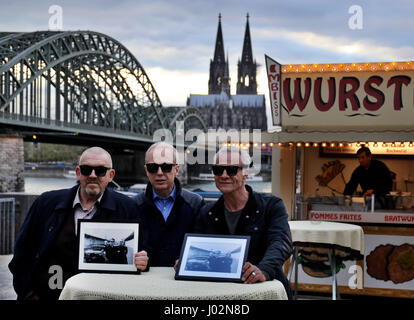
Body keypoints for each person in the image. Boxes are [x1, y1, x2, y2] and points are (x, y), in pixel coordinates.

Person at [8, 147, 148, 300]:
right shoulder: (46, 203)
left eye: (100, 170)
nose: (93, 176)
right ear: (78, 172)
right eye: (87, 169)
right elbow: (22, 253)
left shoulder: (127, 208)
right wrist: (28, 294)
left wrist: (142, 260)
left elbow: (143, 253)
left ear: (111, 175)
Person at [193, 146, 293, 299]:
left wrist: (263, 269)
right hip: (218, 293)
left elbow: (281, 242)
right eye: (218, 170)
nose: (224, 175)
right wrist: (187, 262)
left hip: (262, 290)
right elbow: (197, 245)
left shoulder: (272, 206)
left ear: (245, 173)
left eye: (232, 170)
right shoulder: (206, 212)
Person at [133, 142, 204, 267]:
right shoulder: (133, 205)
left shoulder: (195, 204)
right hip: (146, 279)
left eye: (166, 167)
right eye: (153, 168)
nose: (159, 172)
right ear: (146, 171)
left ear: (176, 169)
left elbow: (201, 244)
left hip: (182, 280)